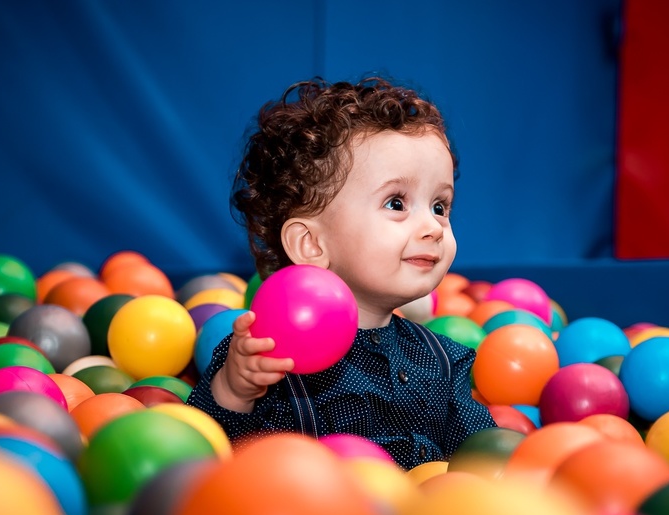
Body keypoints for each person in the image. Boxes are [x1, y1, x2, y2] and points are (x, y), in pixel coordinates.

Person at [186, 76, 495, 469]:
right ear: (311, 244)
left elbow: (483, 460)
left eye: (440, 206)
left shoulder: (440, 361)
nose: (433, 227)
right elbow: (206, 459)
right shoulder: (268, 358)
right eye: (397, 203)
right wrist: (233, 389)